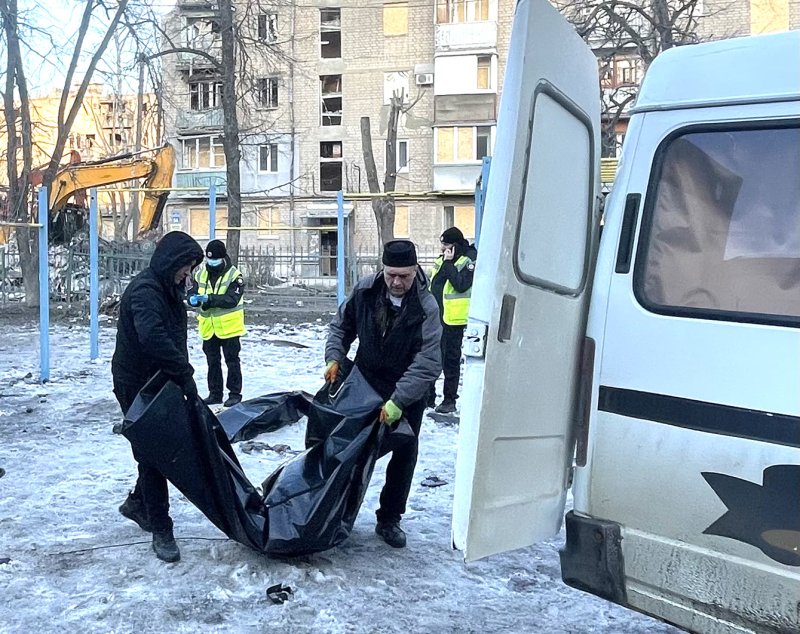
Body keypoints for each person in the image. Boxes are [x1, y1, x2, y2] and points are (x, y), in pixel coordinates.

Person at [324, 239, 442, 548]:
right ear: (382, 269)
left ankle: (389, 518)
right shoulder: (365, 291)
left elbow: (428, 362)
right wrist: (334, 357)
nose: (397, 282)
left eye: (404, 276)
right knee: (351, 448)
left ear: (415, 271)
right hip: (365, 383)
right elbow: (340, 327)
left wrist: (399, 400)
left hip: (407, 389)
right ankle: (336, 512)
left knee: (404, 453)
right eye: (391, 275)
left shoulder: (426, 307)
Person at [111, 231, 204, 563]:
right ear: (170, 262)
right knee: (152, 454)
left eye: (191, 268)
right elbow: (152, 337)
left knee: (157, 450)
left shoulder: (168, 288)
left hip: (160, 381)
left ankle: (138, 503)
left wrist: (179, 376)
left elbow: (172, 337)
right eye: (185, 267)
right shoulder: (146, 291)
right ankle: (161, 528)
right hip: (136, 384)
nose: (187, 274)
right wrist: (184, 372)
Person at [187, 240, 246, 408]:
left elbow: (231, 299)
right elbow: (192, 291)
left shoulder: (234, 275)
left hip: (229, 328)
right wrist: (192, 299)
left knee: (232, 361)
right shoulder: (201, 274)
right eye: (209, 259)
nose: (211, 262)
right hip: (209, 327)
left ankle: (234, 394)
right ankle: (215, 393)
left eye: (215, 259)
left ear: (222, 258)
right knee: (212, 362)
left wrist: (209, 299)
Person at [427, 226, 477, 414]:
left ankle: (449, 400)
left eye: (446, 245)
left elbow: (461, 284)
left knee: (450, 360)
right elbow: (434, 284)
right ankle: (428, 397)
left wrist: (448, 264)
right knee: (431, 357)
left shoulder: (468, 260)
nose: (442, 249)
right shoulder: (442, 260)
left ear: (455, 246)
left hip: (453, 320)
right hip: (435, 317)